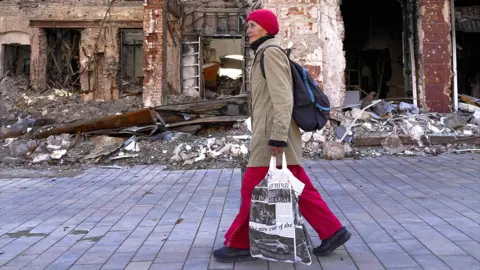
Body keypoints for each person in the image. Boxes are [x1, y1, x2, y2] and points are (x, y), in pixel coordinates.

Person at [213, 9, 351, 263]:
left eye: (253, 25)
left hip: (273, 137)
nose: (249, 29)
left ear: (267, 28)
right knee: (299, 186)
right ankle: (333, 231)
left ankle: (241, 243)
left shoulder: (271, 54)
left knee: (251, 188)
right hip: (273, 134)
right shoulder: (264, 53)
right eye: (248, 25)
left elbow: (283, 98)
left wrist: (277, 137)